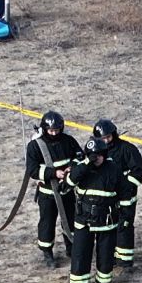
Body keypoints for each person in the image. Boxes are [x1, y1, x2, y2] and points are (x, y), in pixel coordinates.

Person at [26, 110, 82, 268]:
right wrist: (53, 173)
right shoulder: (35, 146)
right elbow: (32, 170)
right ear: (44, 129)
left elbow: (79, 157)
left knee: (71, 220)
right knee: (47, 223)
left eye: (57, 130)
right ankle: (47, 252)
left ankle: (71, 247)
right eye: (51, 130)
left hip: (67, 191)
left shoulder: (68, 141)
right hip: (47, 194)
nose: (54, 133)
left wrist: (71, 168)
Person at [67, 137, 122, 283]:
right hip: (84, 219)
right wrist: (86, 163)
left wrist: (124, 215)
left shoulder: (113, 168)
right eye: (92, 155)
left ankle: (104, 281)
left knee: (105, 251)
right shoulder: (80, 167)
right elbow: (70, 181)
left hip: (106, 218)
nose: (95, 159)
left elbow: (123, 191)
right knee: (81, 252)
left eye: (98, 155)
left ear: (104, 154)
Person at [93, 119, 142, 269]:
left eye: (108, 137)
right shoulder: (96, 152)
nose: (106, 141)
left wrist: (125, 187)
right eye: (103, 138)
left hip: (125, 198)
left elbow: (138, 171)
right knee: (109, 227)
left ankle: (125, 261)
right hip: (107, 198)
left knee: (124, 226)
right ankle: (111, 257)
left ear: (114, 134)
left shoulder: (127, 149)